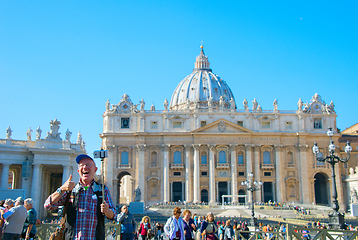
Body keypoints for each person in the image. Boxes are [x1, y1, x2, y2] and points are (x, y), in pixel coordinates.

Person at [44, 154, 116, 240]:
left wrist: (107, 211)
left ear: (95, 170)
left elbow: (114, 215)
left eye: (88, 165)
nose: (85, 167)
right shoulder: (70, 190)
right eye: (82, 165)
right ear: (78, 171)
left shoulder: (103, 190)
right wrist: (62, 189)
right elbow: (48, 205)